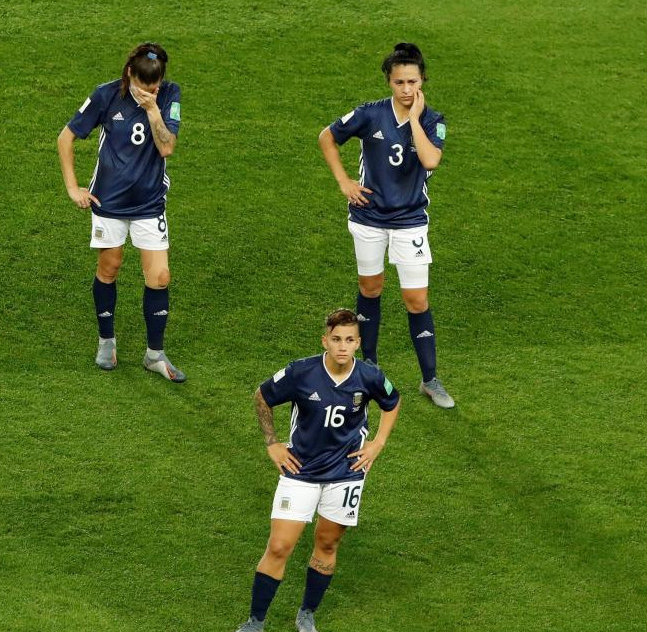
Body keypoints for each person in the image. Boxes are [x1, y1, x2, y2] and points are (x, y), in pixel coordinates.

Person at [235, 309, 401, 632]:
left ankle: (306, 613)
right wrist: (272, 443)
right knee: (280, 545)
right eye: (336, 339)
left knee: (327, 545)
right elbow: (262, 395)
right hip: (301, 471)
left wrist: (378, 443)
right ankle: (256, 621)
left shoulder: (368, 376)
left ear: (357, 343)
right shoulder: (302, 372)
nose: (343, 346)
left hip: (347, 473)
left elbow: (392, 402)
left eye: (350, 340)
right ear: (325, 340)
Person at [317, 43, 455, 408]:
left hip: (410, 222)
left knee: (416, 299)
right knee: (371, 287)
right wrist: (344, 182)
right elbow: (326, 137)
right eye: (399, 82)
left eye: (412, 81)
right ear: (389, 82)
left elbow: (429, 160)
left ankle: (430, 379)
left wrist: (413, 120)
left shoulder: (433, 121)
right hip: (368, 219)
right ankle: (369, 368)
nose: (406, 89)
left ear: (422, 81)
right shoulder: (370, 114)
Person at [57, 42, 185, 382]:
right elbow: (65, 138)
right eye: (145, 86)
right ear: (130, 75)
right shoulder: (106, 95)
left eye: (155, 85)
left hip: (149, 203)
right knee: (109, 267)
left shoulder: (169, 95)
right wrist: (73, 188)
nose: (151, 91)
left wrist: (154, 109)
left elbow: (167, 147)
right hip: (108, 203)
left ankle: (154, 355)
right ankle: (106, 341)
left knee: (160, 276)